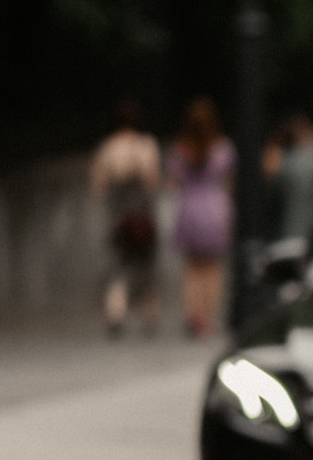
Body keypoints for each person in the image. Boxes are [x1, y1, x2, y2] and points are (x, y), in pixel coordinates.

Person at [91, 98, 162, 337]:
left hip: (119, 217)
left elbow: (99, 188)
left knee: (118, 269)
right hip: (143, 216)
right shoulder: (147, 145)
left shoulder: (107, 148)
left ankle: (116, 314)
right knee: (147, 267)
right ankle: (150, 315)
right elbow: (152, 183)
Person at [166, 97, 235, 337]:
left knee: (192, 268)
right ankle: (207, 317)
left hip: (189, 208)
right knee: (213, 268)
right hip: (215, 208)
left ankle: (193, 314)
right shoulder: (223, 149)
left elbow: (172, 182)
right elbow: (229, 179)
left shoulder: (179, 150)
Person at [265, 111, 313, 244]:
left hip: (288, 233)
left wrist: (274, 144)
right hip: (304, 232)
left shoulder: (286, 162)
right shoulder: (311, 159)